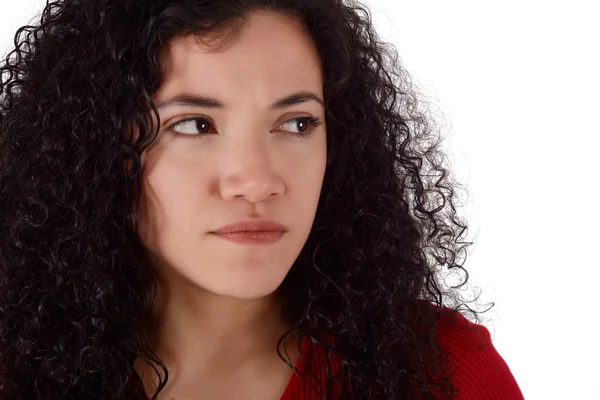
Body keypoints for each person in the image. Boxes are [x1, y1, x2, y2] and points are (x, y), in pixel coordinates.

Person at [0, 0, 524, 399]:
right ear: (98, 146)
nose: (256, 180)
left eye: (297, 123)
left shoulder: (444, 372)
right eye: (195, 124)